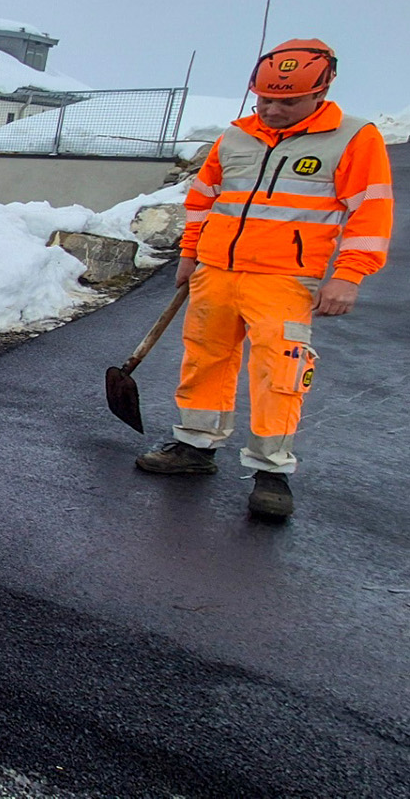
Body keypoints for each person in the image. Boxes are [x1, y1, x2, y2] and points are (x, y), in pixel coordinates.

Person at [135, 39, 393, 518]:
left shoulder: (354, 138)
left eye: (287, 102)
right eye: (265, 100)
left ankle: (271, 471)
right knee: (205, 357)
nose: (272, 110)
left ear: (321, 90)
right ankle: (195, 447)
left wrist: (350, 276)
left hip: (286, 278)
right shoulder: (235, 136)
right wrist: (191, 254)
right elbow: (203, 199)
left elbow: (372, 213)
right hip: (217, 271)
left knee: (281, 373)